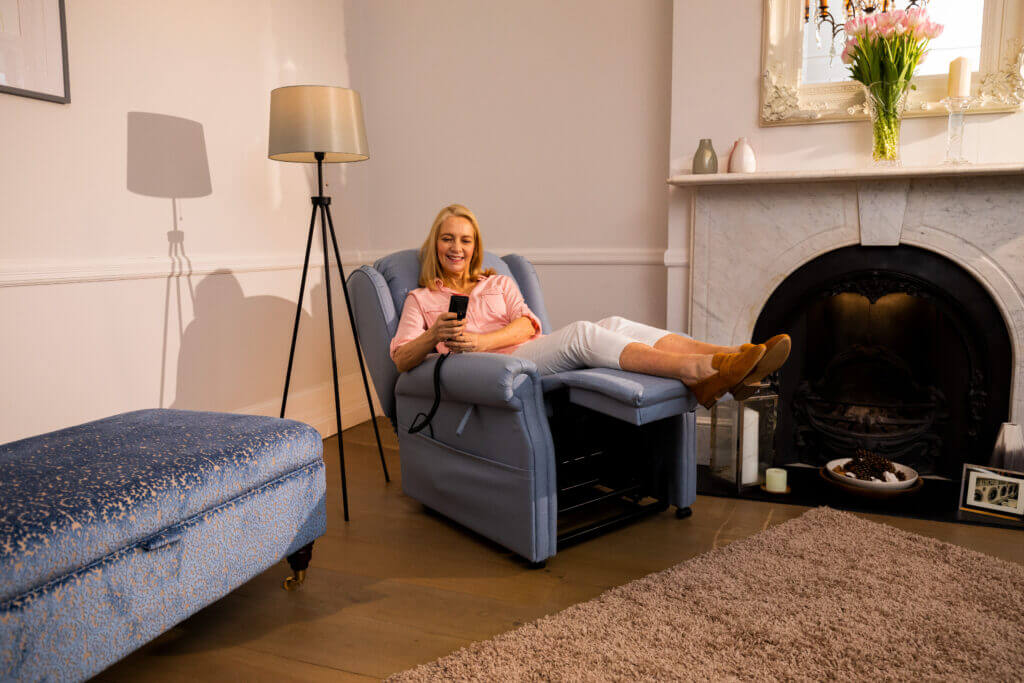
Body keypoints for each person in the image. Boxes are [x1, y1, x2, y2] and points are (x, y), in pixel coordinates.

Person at [390, 204, 790, 409]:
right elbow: (400, 357)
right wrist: (433, 336)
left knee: (616, 321)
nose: (456, 248)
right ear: (435, 245)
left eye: (465, 239)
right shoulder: (422, 299)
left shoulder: (497, 281)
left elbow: (528, 326)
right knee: (582, 333)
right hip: (495, 372)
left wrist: (479, 339)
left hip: (520, 351)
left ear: (475, 246)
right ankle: (699, 371)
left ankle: (731, 357)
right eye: (448, 239)